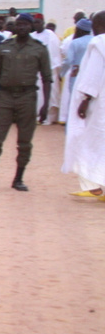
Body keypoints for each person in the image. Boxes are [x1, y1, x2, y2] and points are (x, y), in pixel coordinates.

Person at [0, 14, 52, 191]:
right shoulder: (5, 47)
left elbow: (47, 78)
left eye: (25, 25)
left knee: (25, 142)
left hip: (27, 97)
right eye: (19, 24)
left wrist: (46, 104)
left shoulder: (39, 49)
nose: (22, 27)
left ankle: (18, 179)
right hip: (5, 97)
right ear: (14, 27)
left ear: (31, 27)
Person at [61, 11, 105, 198]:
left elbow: (93, 75)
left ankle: (96, 184)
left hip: (98, 103)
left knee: (89, 141)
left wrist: (85, 101)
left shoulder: (99, 43)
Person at [32, 16, 63, 125]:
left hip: (49, 70)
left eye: (38, 22)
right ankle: (37, 115)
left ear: (43, 23)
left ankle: (49, 117)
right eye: (34, 22)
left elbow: (53, 53)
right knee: (37, 93)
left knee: (50, 94)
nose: (36, 24)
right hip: (35, 71)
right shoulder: (32, 35)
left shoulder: (50, 35)